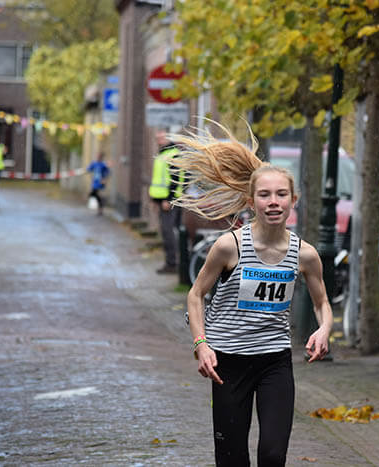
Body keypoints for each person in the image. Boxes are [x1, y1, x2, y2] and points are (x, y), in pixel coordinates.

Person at [174, 123, 333, 466]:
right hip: (227, 362)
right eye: (264, 195)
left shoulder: (304, 254)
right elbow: (196, 295)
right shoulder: (228, 247)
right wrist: (201, 345)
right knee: (232, 458)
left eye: (281, 195)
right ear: (251, 201)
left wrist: (324, 329)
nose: (273, 202)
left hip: (274, 361)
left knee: (273, 455)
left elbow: (322, 302)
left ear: (293, 200)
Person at [149, 131, 183, 274]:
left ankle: (172, 263)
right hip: (164, 200)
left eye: (161, 137)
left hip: (169, 201)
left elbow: (175, 178)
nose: (158, 140)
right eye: (157, 138)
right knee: (168, 231)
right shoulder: (163, 153)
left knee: (168, 231)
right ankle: (173, 262)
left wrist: (168, 199)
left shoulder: (172, 154)